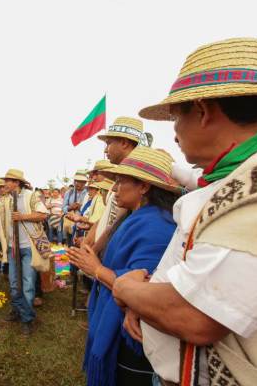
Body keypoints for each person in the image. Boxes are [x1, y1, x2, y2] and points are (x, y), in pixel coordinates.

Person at [113, 37, 257, 386]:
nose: (175, 133)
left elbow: (193, 314)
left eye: (176, 117)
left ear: (204, 112)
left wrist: (125, 288)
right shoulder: (238, 174)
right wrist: (147, 304)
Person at [68, 147, 181, 386]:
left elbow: (146, 288)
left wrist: (96, 269)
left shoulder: (157, 225)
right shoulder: (135, 217)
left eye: (120, 181)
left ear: (144, 186)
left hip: (131, 336)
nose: (114, 188)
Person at [0, 169, 49, 336]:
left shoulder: (31, 196)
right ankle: (17, 310)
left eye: (9, 181)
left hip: (29, 248)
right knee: (13, 284)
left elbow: (43, 215)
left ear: (17, 182)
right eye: (5, 181)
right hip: (13, 249)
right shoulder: (5, 200)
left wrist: (23, 216)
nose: (5, 184)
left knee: (27, 285)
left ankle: (26, 319)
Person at [82, 118, 143, 248]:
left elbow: (115, 222)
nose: (105, 150)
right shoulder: (121, 182)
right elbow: (108, 216)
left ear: (124, 143)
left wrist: (94, 250)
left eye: (108, 143)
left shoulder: (135, 180)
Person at [61, 169, 89, 245]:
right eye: (75, 181)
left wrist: (81, 207)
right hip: (70, 224)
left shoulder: (89, 192)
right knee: (70, 245)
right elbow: (63, 208)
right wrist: (70, 207)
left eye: (79, 181)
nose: (76, 183)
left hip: (84, 224)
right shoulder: (69, 192)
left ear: (85, 182)